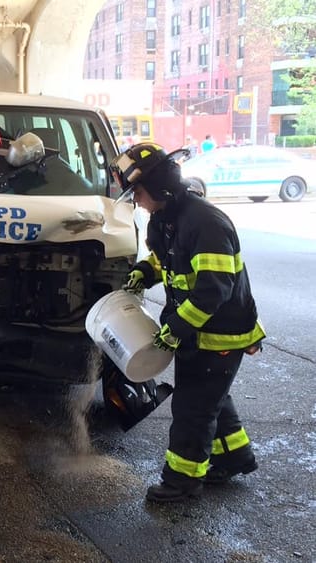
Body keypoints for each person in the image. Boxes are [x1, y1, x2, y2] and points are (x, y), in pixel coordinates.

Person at [110, 142, 265, 503]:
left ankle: (182, 481)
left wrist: (175, 329)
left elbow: (213, 290)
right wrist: (143, 273)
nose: (137, 200)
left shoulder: (206, 223)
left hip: (220, 334)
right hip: (198, 332)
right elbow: (168, 261)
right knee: (210, 395)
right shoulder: (165, 219)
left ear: (160, 186)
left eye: (139, 192)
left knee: (193, 408)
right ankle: (233, 456)